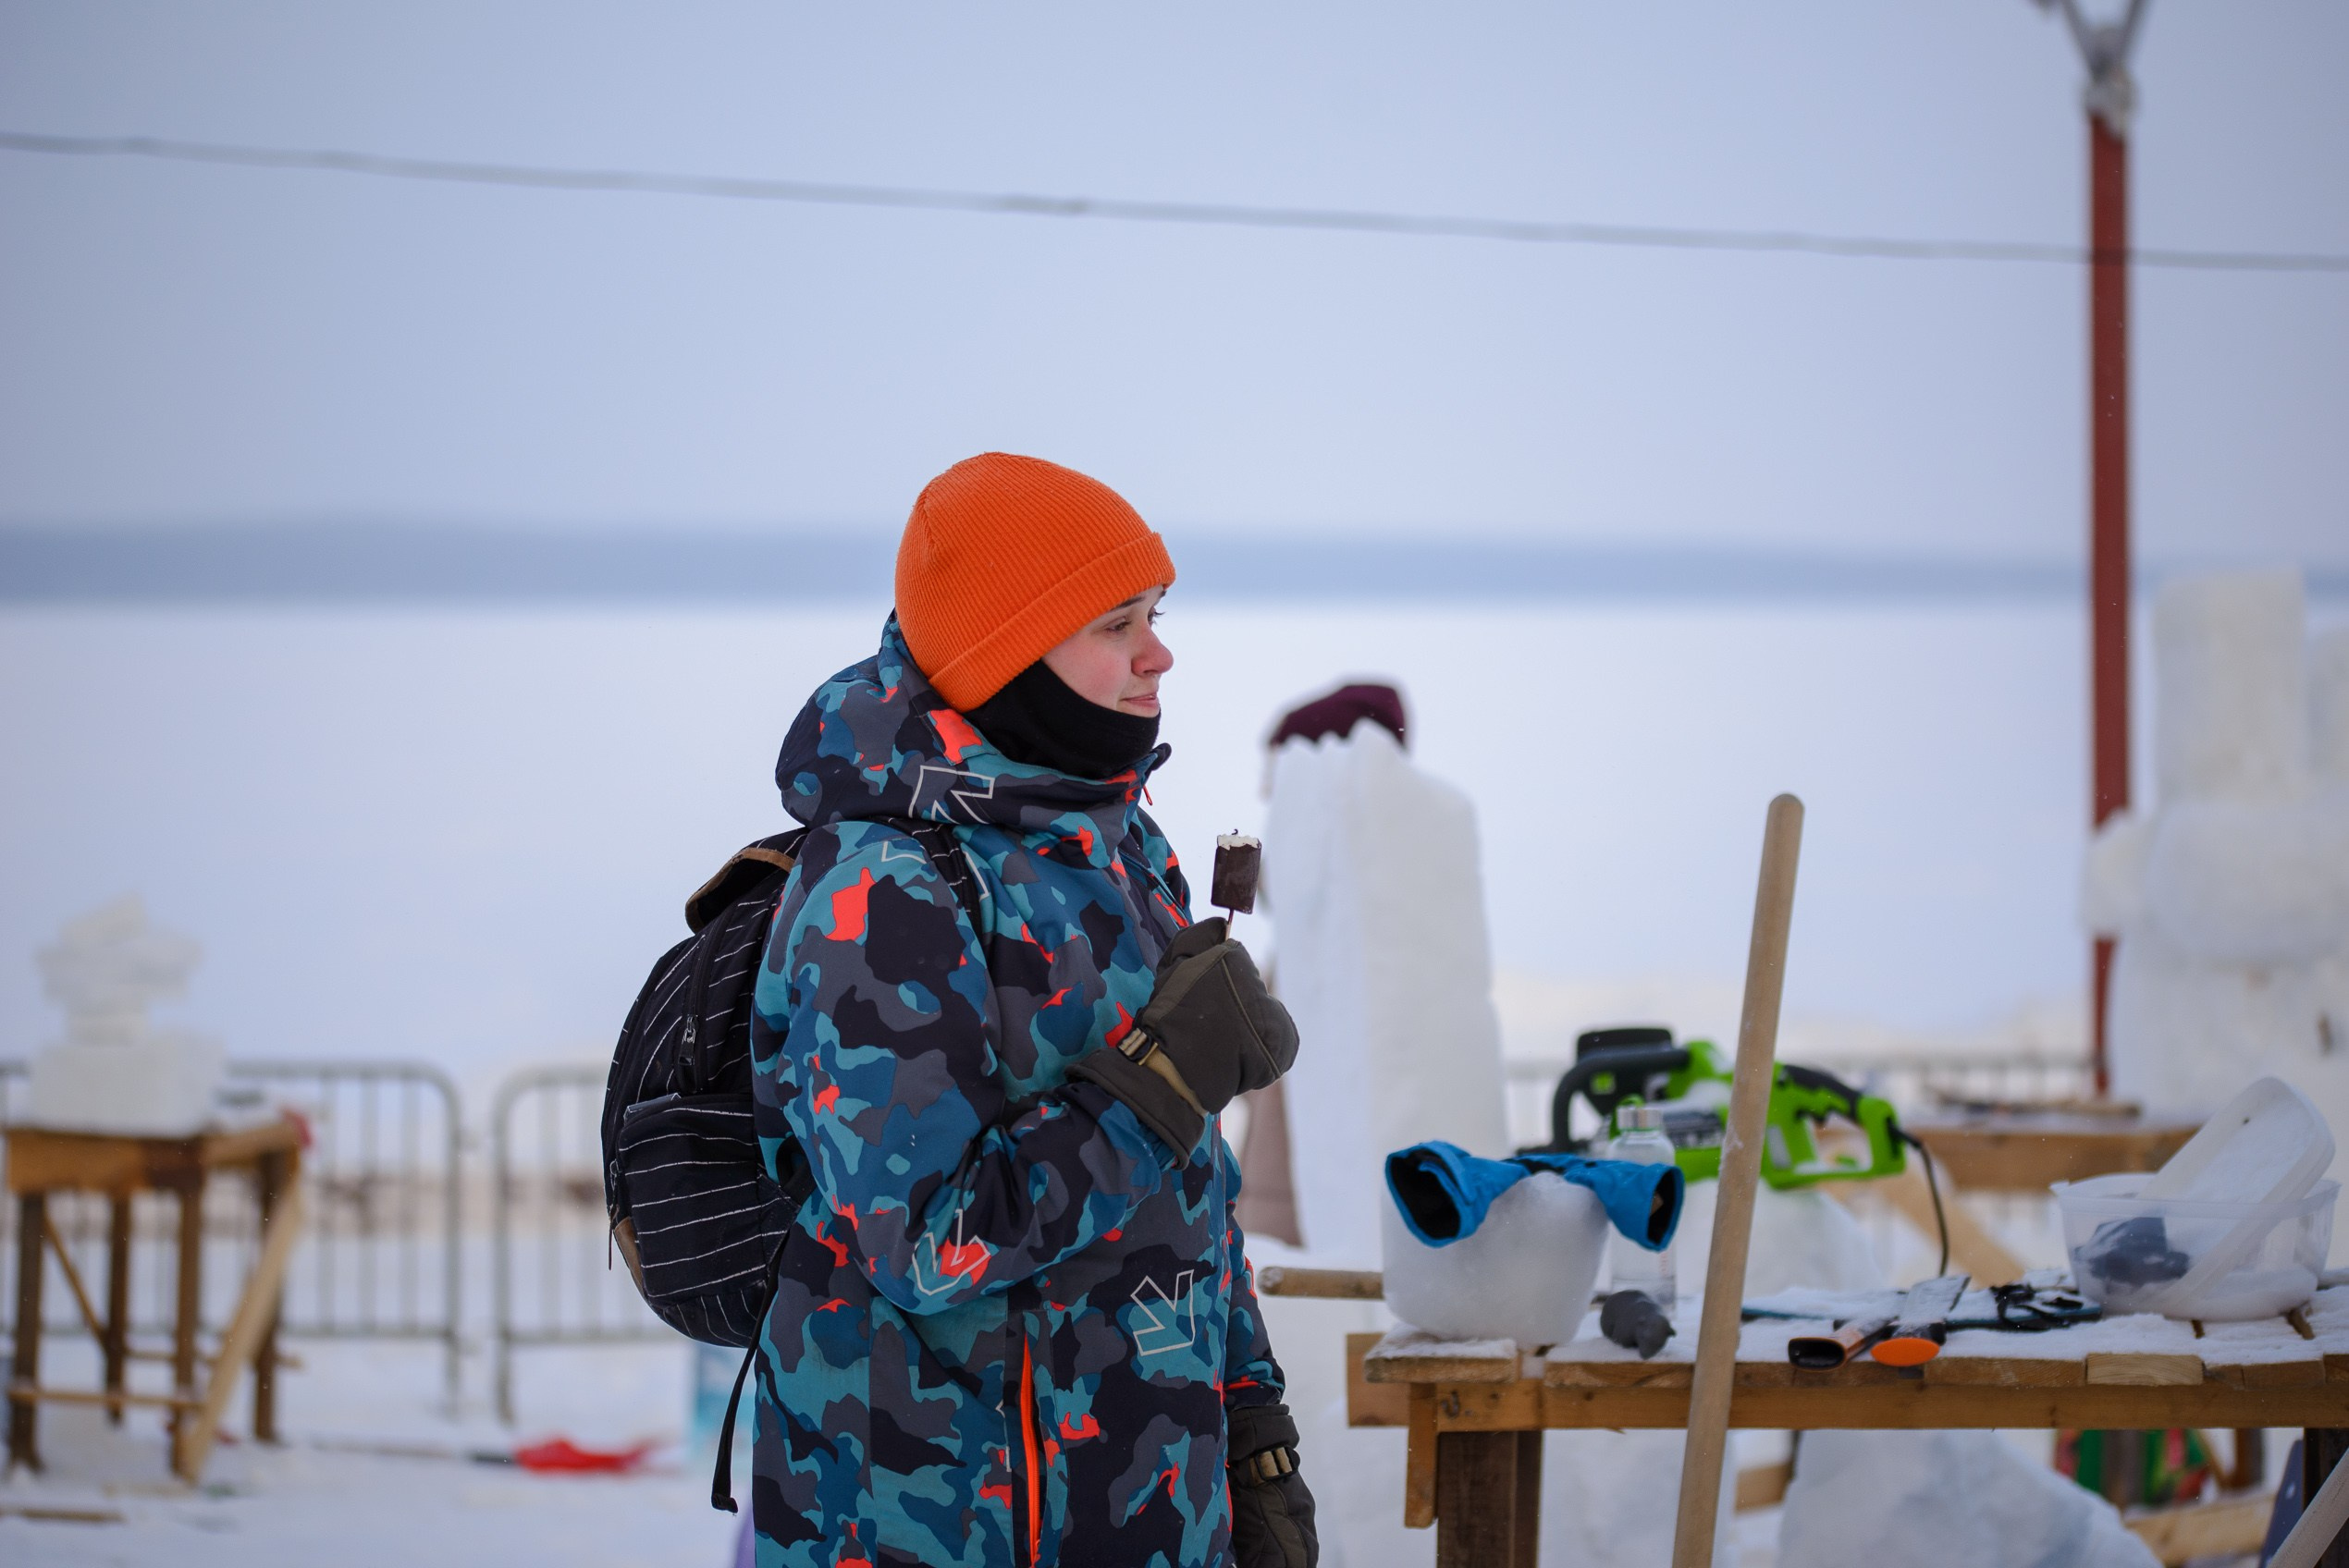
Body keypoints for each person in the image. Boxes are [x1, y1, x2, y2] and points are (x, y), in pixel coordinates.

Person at [749, 453, 1318, 1568]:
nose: (1159, 651)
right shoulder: (883, 889)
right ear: (1002, 651)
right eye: (1116, 624)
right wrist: (1158, 1081)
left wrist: (1250, 1423)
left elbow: (1188, 1182)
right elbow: (923, 1241)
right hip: (947, 1523)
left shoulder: (1117, 846)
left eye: (1155, 613)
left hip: (1145, 1501)